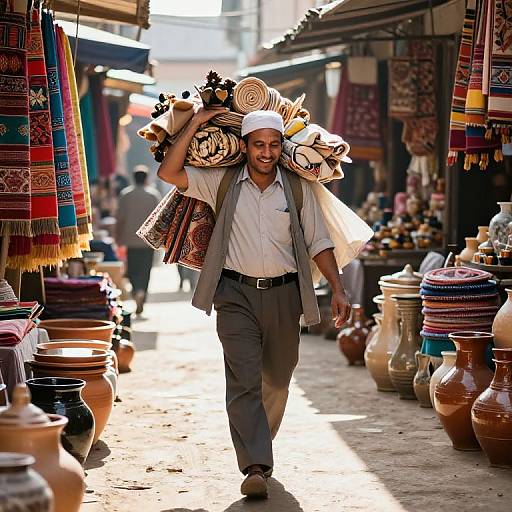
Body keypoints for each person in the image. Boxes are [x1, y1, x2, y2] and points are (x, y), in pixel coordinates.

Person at [157, 107, 351, 499]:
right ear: (244, 146)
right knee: (244, 379)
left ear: (282, 146)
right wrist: (194, 122)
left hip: (285, 296)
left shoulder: (297, 188)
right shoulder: (222, 182)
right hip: (235, 294)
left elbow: (319, 241)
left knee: (278, 380)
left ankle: (259, 439)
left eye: (274, 145)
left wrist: (338, 287)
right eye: (258, 145)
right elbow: (169, 173)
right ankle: (256, 465)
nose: (266, 152)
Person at [115, 165, 162, 315]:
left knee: (133, 269)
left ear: (133, 178)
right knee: (145, 270)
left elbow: (120, 219)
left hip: (130, 239)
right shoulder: (153, 195)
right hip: (148, 241)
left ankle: (136, 291)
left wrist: (118, 237)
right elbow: (160, 219)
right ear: (146, 178)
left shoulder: (125, 195)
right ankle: (142, 292)